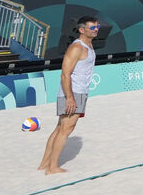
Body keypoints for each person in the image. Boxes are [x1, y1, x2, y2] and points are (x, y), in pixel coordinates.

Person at [37, 16, 100, 175]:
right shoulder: (77, 48)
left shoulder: (89, 45)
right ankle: (52, 168)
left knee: (60, 128)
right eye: (92, 27)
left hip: (79, 91)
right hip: (72, 92)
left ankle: (44, 164)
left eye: (96, 27)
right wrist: (70, 98)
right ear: (81, 30)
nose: (96, 29)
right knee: (66, 129)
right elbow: (65, 74)